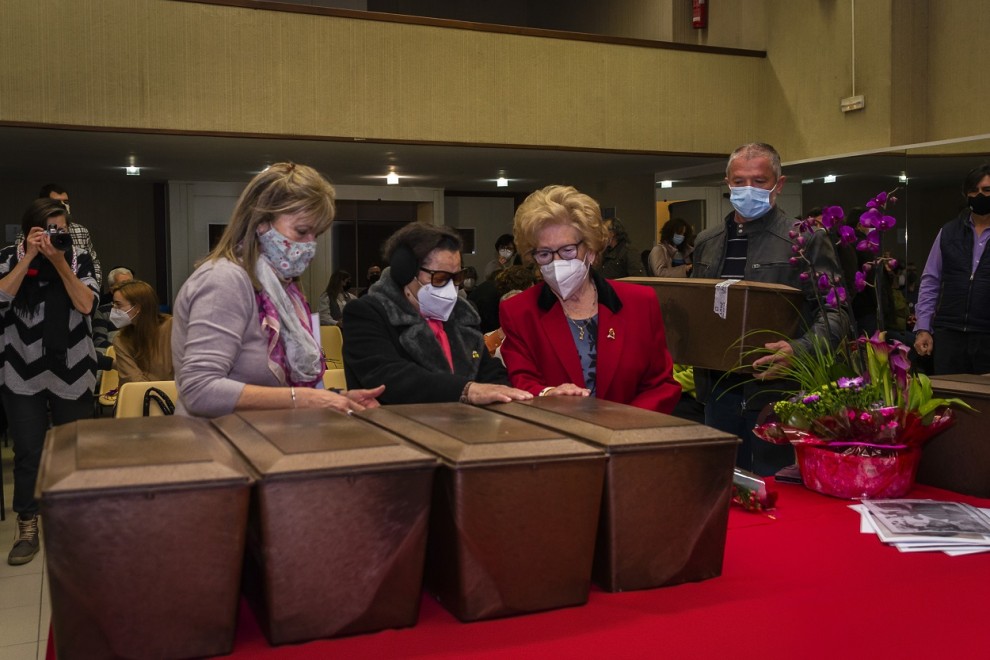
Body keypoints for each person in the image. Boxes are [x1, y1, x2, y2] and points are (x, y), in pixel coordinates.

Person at [171, 162, 383, 417]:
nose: (310, 245)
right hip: (224, 446)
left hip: (273, 439)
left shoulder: (285, 287)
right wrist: (302, 399)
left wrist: (334, 398)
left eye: (316, 234)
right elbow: (199, 390)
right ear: (261, 222)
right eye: (302, 231)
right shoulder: (224, 280)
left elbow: (280, 388)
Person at [691, 143, 848, 475]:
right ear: (727, 182)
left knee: (778, 491)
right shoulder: (708, 241)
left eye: (759, 181)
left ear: (779, 184)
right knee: (718, 487)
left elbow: (836, 313)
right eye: (739, 181)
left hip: (777, 392)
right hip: (717, 392)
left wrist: (799, 350)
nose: (748, 189)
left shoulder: (805, 240)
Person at [499, 185, 680, 413]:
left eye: (567, 250)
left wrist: (625, 425)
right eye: (544, 254)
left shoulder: (640, 302)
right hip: (557, 437)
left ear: (591, 250)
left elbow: (660, 384)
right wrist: (546, 395)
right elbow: (522, 381)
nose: (557, 262)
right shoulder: (518, 311)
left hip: (630, 437)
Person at [0, 198, 99, 565]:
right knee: (29, 452)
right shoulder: (8, 257)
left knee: (74, 451)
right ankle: (28, 524)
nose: (53, 236)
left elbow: (87, 304)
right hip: (21, 369)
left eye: (60, 229)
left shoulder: (77, 258)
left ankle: (75, 523)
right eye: (46, 229)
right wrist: (27, 257)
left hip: (71, 368)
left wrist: (58, 262)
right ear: (30, 230)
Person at [342, 222, 533, 405]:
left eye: (457, 277)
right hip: (395, 429)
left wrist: (509, 393)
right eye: (440, 278)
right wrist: (466, 390)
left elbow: (487, 369)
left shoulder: (462, 315)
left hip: (465, 427)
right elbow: (390, 377)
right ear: (406, 274)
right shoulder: (366, 313)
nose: (451, 288)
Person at [914, 165, 990, 374]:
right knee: (948, 400)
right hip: (950, 333)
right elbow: (931, 280)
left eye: (986, 190)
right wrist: (923, 328)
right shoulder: (948, 232)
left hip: (986, 334)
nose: (979, 196)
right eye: (974, 191)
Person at [37, 184, 103, 288]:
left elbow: (94, 262)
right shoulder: (34, 231)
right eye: (57, 202)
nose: (63, 206)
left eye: (66, 202)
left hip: (78, 288)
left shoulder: (81, 230)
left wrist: (92, 287)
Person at [110, 280, 175, 384]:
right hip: (143, 396)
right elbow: (133, 381)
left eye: (118, 304)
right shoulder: (121, 340)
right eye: (113, 304)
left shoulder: (173, 327)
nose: (114, 309)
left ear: (138, 307)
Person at [93, 266, 134, 351]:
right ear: (112, 290)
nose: (128, 288)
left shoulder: (141, 309)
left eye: (131, 283)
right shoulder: (102, 312)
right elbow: (98, 342)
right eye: (123, 284)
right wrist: (123, 353)